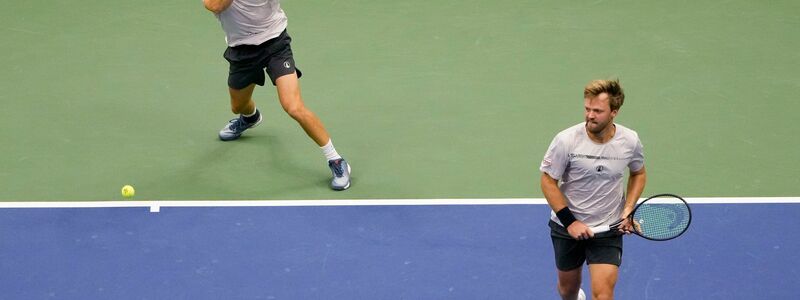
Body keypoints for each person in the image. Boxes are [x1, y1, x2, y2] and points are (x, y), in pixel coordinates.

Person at [202, 0, 351, 190]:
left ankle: (336, 160)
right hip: (241, 51)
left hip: (275, 45)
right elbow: (214, 5)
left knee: (293, 107)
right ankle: (250, 118)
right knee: (238, 106)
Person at [539, 79, 647, 300]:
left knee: (603, 295)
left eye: (597, 111)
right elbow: (548, 181)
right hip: (566, 226)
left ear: (614, 112)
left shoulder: (630, 141)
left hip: (609, 228)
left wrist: (627, 211)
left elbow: (638, 173)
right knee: (567, 290)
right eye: (587, 109)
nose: (589, 115)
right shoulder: (566, 140)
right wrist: (571, 222)